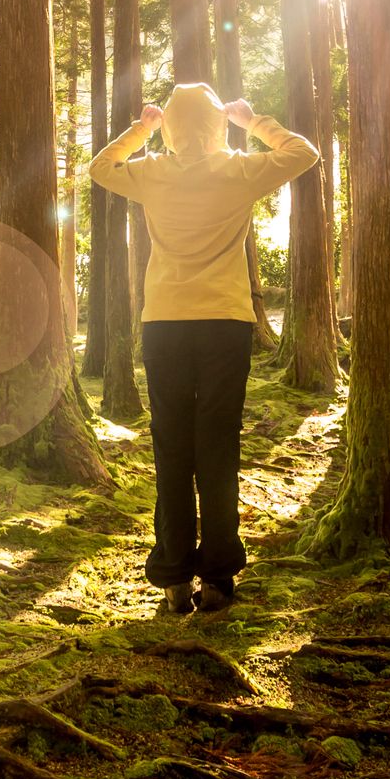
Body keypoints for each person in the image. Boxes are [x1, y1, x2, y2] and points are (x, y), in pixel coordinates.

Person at [89, 83, 321, 615]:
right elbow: (303, 153)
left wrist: (141, 128)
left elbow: (102, 168)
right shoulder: (238, 169)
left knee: (171, 446)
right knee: (218, 446)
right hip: (225, 323)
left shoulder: (152, 171)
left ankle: (173, 578)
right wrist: (252, 119)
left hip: (165, 323)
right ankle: (217, 577)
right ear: (218, 124)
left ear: (170, 125)